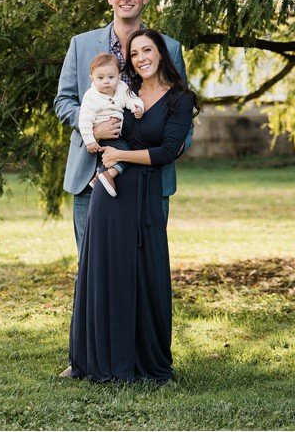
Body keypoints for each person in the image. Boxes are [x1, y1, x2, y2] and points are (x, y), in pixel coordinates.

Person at [66, 28, 198, 383]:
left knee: (146, 275)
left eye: (147, 50)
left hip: (146, 192)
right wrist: (99, 131)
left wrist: (121, 153)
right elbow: (87, 113)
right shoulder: (124, 91)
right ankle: (96, 361)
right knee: (104, 273)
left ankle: (148, 363)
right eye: (135, 53)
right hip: (109, 195)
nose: (141, 58)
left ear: (161, 53)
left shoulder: (180, 99)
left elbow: (168, 151)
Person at [54, 0, 190, 256]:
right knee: (93, 267)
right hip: (92, 172)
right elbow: (63, 101)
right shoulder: (81, 45)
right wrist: (91, 130)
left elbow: (183, 111)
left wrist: (172, 148)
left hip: (149, 176)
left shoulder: (171, 49)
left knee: (143, 266)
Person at [78, 52, 144, 197]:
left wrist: (137, 108)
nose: (106, 81)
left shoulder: (121, 87)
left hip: (119, 135)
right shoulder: (91, 96)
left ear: (119, 77)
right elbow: (84, 121)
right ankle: (109, 175)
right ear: (92, 79)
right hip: (105, 135)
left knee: (120, 154)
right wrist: (90, 140)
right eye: (100, 78)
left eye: (111, 77)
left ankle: (98, 177)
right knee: (126, 155)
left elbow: (133, 99)